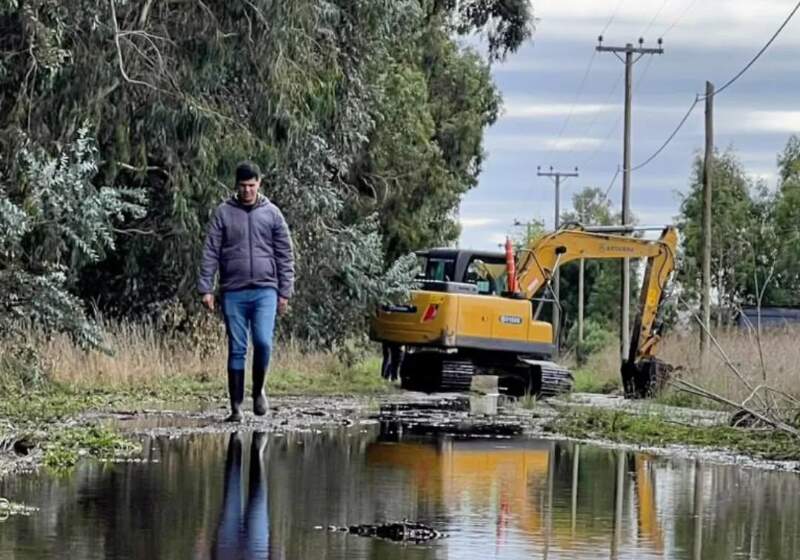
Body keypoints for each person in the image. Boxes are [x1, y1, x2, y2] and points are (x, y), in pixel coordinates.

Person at [198, 161, 295, 422]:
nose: (247, 191)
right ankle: (236, 407)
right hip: (233, 290)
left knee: (263, 341)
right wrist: (206, 287)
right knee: (237, 347)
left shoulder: (272, 214)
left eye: (251, 186)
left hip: (266, 290)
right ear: (236, 186)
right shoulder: (223, 213)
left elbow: (285, 254)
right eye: (243, 186)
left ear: (259, 184)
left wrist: (285, 291)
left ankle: (259, 389)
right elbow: (210, 251)